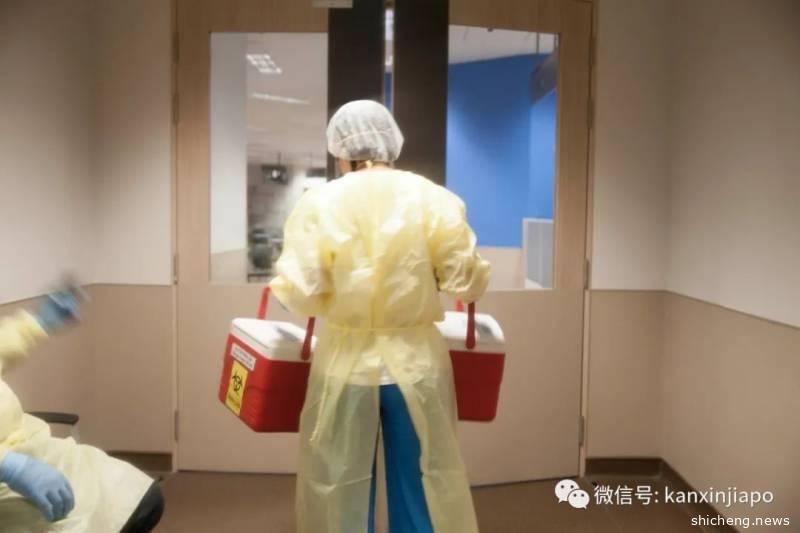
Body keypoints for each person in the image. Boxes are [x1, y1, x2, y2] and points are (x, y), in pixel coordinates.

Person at [270, 100, 491, 533]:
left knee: (338, 490)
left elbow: (299, 292)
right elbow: (466, 282)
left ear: (340, 150)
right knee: (424, 483)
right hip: (416, 366)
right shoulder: (432, 197)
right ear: (392, 143)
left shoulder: (320, 202)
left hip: (345, 368)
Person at [0, 286, 164, 532]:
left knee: (139, 497)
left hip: (36, 452)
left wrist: (37, 323)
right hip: (9, 484)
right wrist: (10, 467)